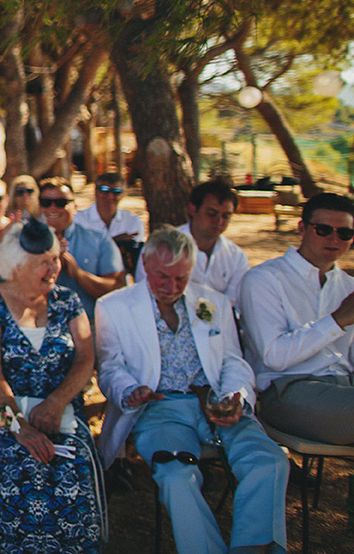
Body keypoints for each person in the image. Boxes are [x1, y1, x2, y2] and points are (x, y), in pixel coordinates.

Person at [97, 226, 288, 553]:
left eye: (181, 279)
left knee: (269, 462)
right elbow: (110, 367)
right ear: (144, 262)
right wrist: (131, 390)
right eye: (163, 277)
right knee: (176, 476)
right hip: (159, 409)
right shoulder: (114, 306)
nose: (172, 287)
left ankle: (253, 549)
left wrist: (235, 394)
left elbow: (233, 359)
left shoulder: (211, 301)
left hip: (214, 402)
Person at [0, 218, 106, 553]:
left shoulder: (67, 302)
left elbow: (85, 359)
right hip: (5, 410)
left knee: (71, 469)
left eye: (55, 258)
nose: (53, 268)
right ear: (16, 266)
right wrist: (21, 428)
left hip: (61, 409)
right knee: (22, 467)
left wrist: (58, 401)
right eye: (42, 262)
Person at [239, 191, 354, 444]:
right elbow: (275, 357)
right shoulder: (264, 279)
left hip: (344, 388)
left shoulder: (348, 285)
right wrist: (337, 321)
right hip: (288, 389)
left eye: (344, 233)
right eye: (323, 229)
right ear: (302, 228)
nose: (334, 239)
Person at [136, 180, 248, 303]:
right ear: (192, 209)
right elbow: (144, 292)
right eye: (212, 213)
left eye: (226, 216)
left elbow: (232, 302)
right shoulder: (160, 247)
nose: (219, 221)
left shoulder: (236, 257)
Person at [39, 177, 125, 321]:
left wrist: (79, 275)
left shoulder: (99, 240)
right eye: (46, 203)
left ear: (75, 206)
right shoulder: (23, 241)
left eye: (61, 203)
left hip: (90, 327)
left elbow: (118, 288)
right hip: (40, 328)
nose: (52, 208)